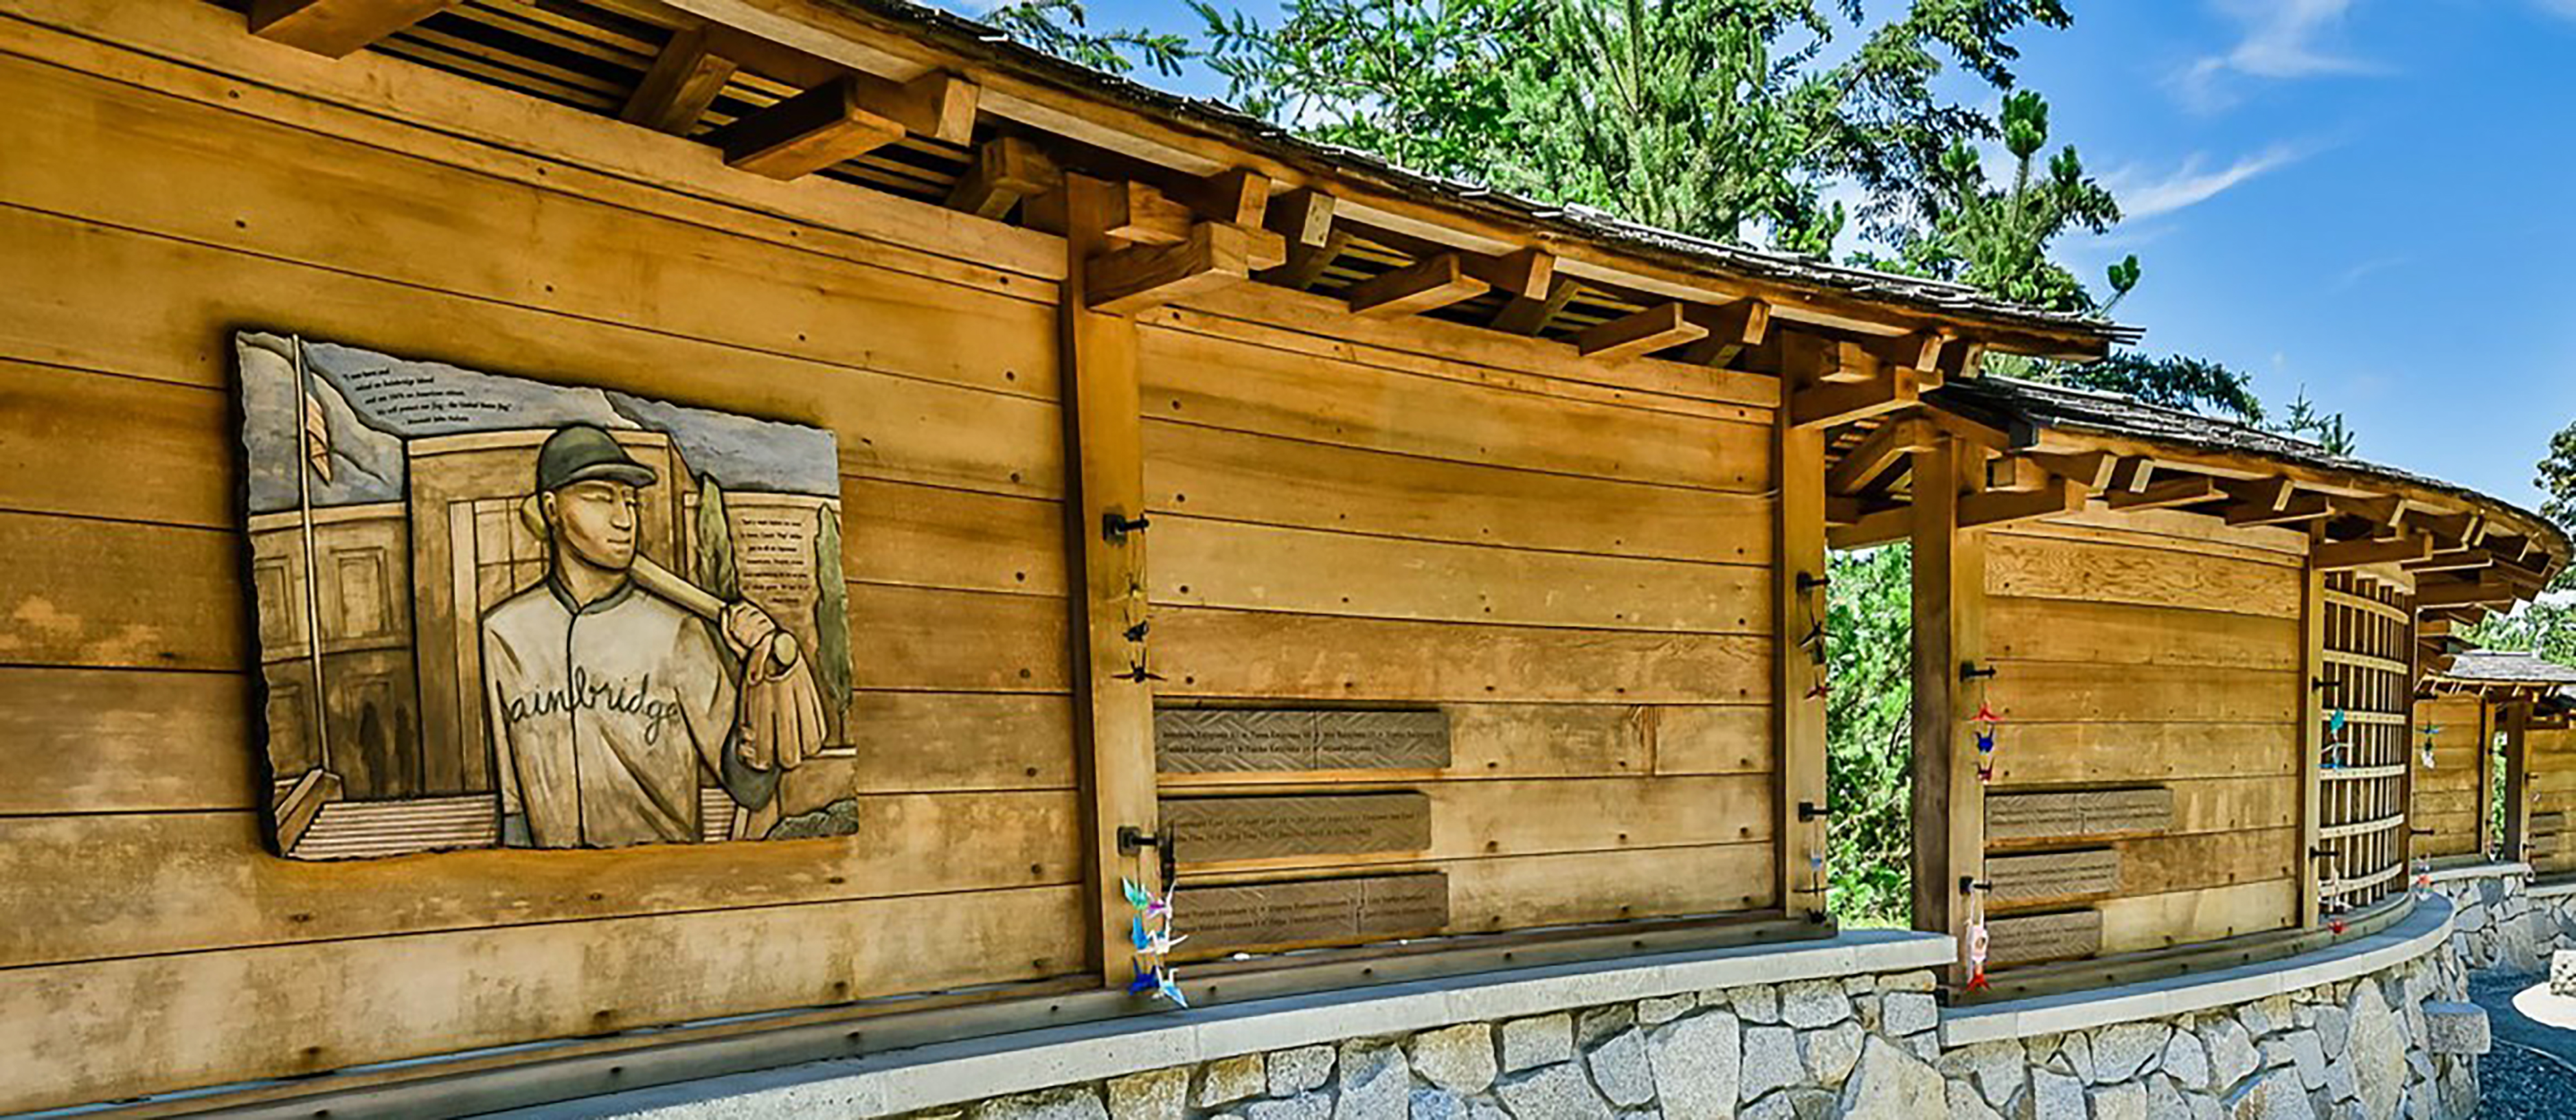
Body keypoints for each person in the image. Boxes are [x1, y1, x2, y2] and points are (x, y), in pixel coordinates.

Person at [479, 424, 792, 847]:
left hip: (663, 883)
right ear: (551, 510)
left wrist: (758, 678)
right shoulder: (505, 631)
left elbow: (750, 787)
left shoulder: (677, 630)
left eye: (630, 500)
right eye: (600, 497)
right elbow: (514, 807)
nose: (625, 519)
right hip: (552, 891)